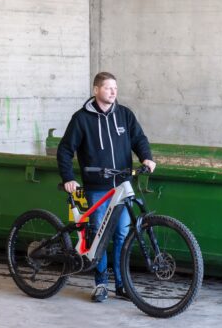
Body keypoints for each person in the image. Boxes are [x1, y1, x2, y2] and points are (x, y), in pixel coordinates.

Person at [56, 72, 156, 302]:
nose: (113, 92)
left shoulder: (124, 114)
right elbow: (65, 150)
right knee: (98, 237)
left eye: (115, 88)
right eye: (108, 88)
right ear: (96, 90)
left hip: (122, 187)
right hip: (96, 188)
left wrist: (146, 157)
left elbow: (139, 138)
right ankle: (101, 284)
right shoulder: (81, 119)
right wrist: (68, 177)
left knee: (122, 235)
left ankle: (121, 284)